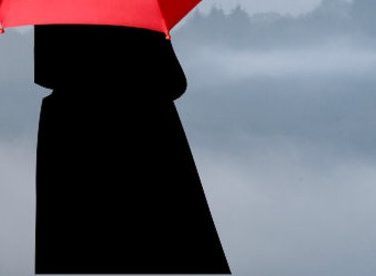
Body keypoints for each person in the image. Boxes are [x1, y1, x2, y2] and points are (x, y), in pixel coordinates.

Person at [34, 24, 230, 274]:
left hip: (71, 135)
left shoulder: (52, 3)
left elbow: (45, 72)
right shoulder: (131, 6)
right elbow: (172, 81)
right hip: (143, 138)